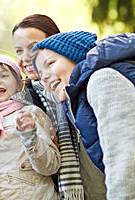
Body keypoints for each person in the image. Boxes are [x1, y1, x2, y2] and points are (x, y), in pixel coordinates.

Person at [32, 30, 135, 199]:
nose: (46, 77)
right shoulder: (78, 101)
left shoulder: (103, 80)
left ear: (73, 54)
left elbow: (125, 159)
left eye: (50, 63)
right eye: (41, 75)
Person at [12, 14, 86, 200]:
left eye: (33, 47)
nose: (26, 57)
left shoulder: (78, 86)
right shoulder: (21, 100)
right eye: (19, 51)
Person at [0, 54, 60, 200]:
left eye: (4, 75)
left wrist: (31, 137)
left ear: (19, 84)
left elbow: (51, 166)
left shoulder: (30, 114)